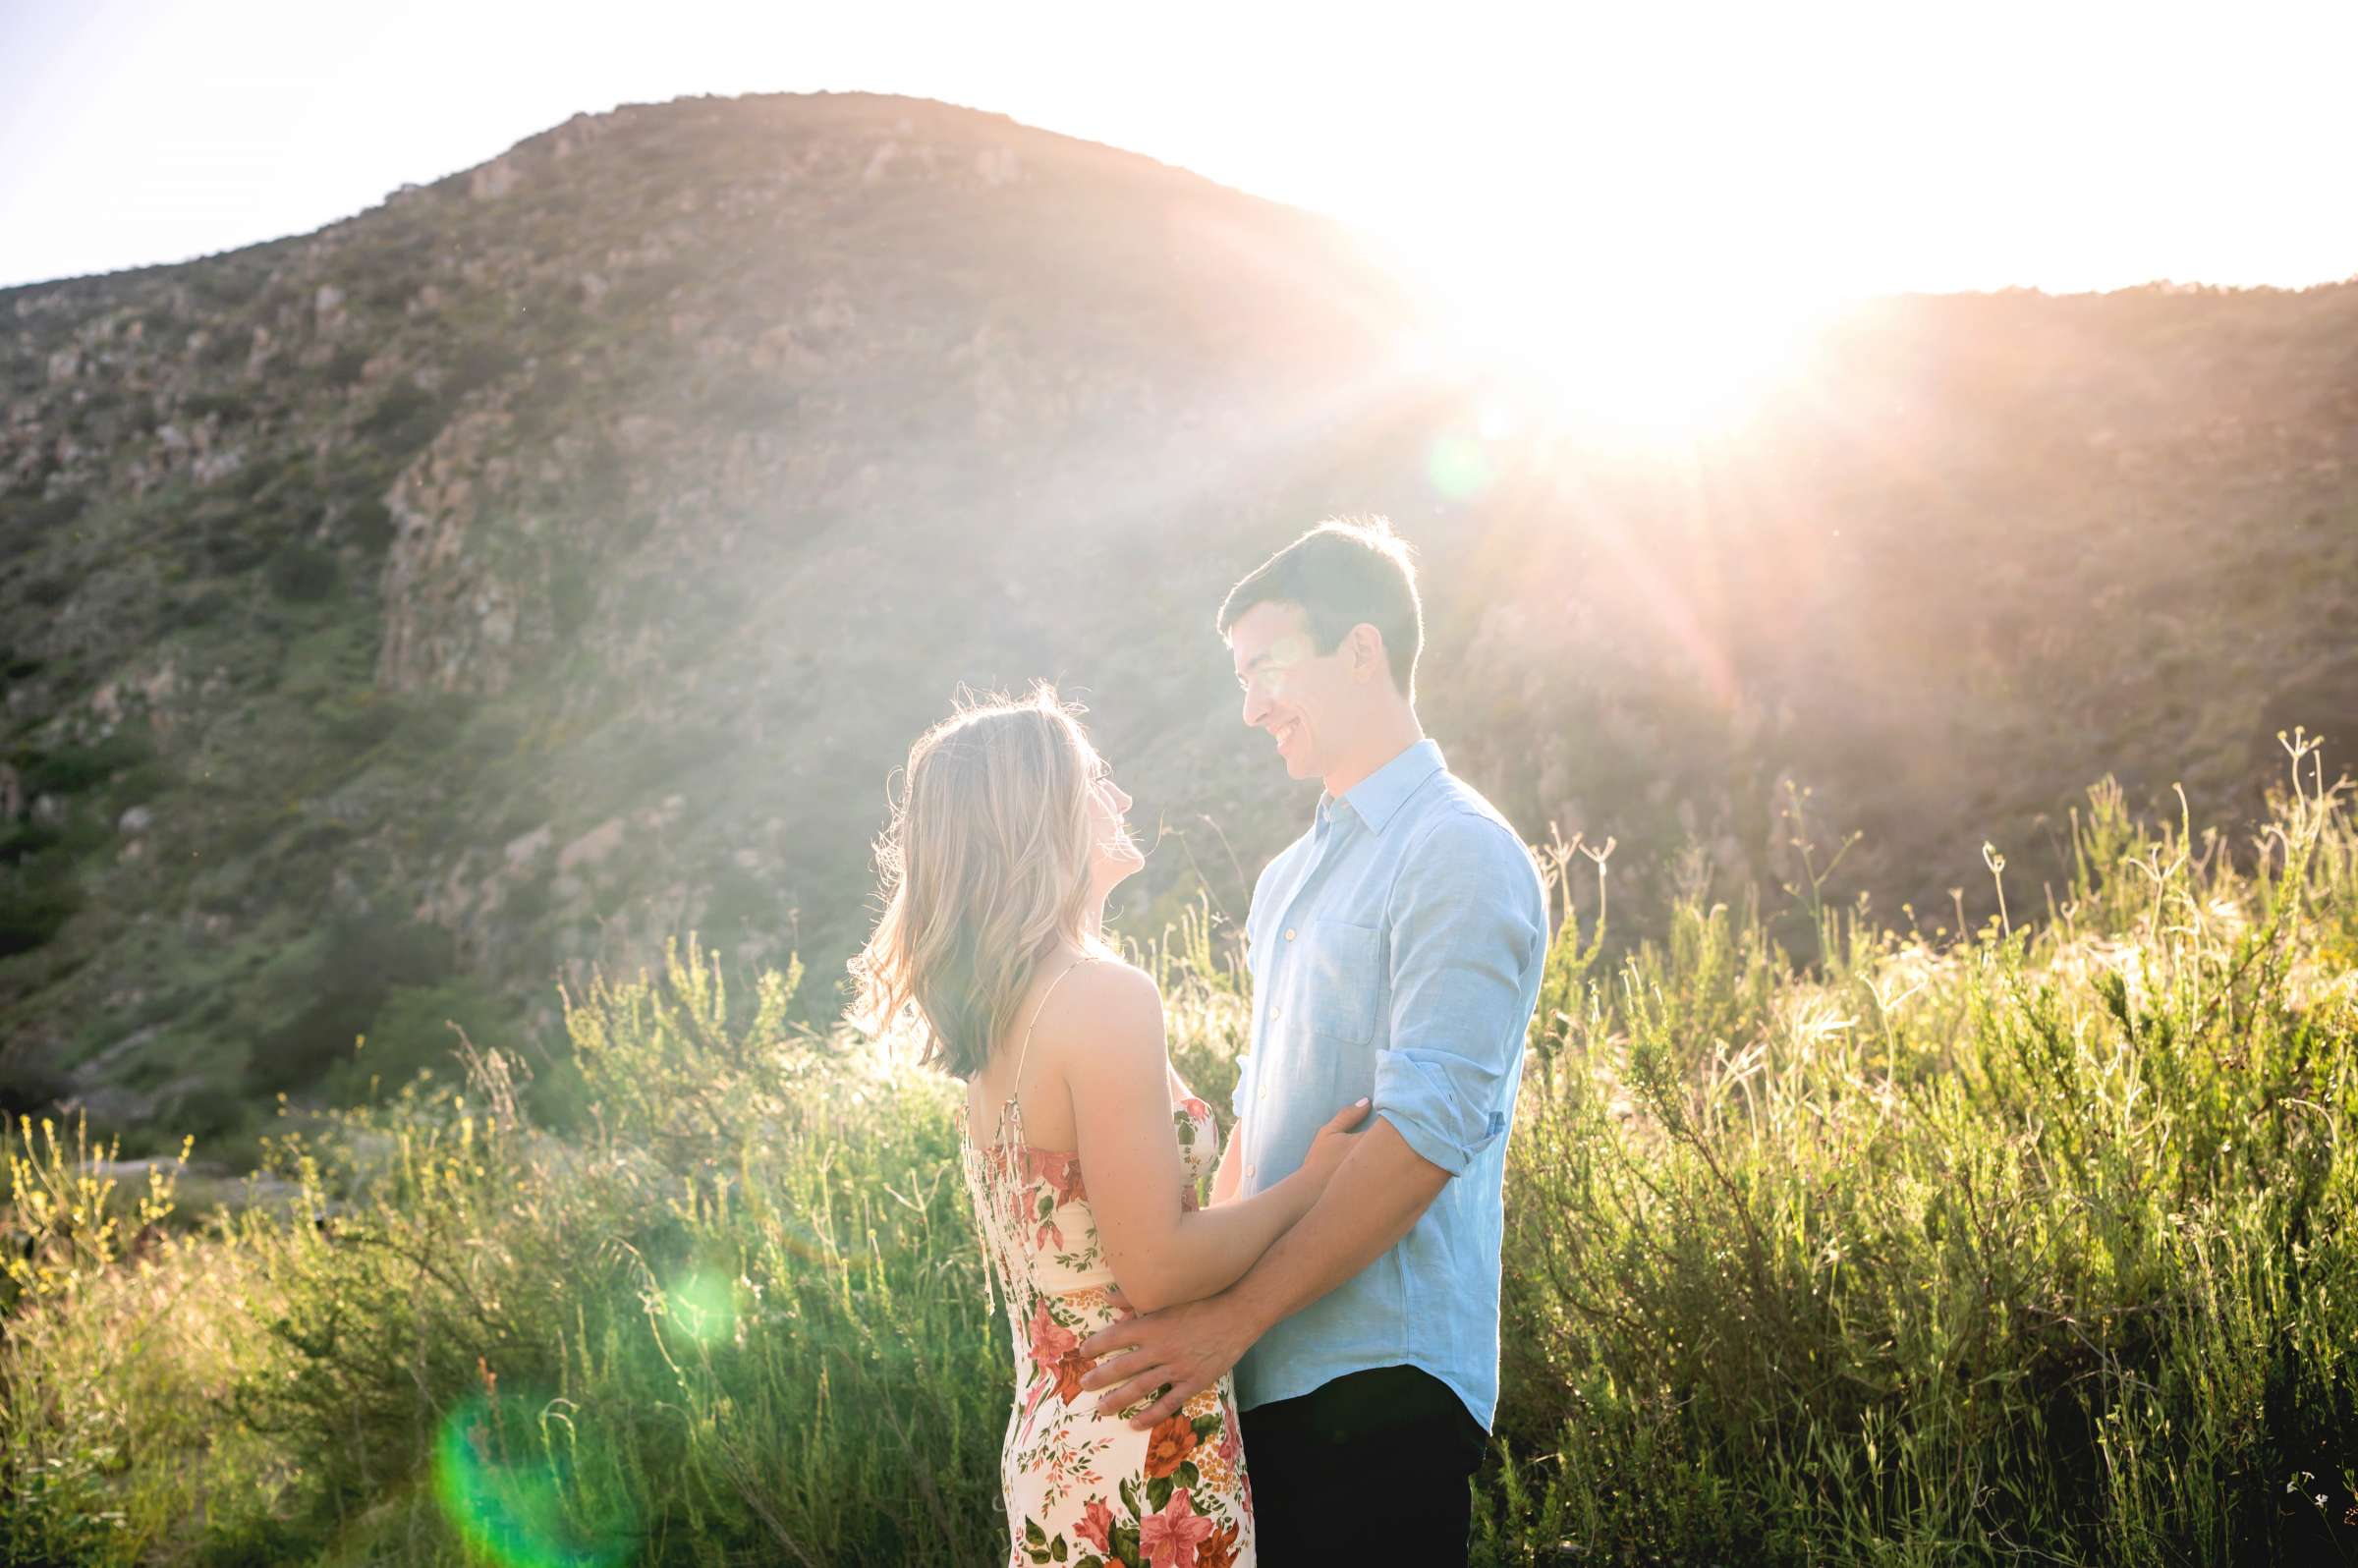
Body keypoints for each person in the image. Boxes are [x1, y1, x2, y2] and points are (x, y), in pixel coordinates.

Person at [1078, 517, 1549, 1564]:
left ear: (1363, 650)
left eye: (1267, 669)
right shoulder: (1286, 881)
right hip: (1257, 1384)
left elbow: (1425, 1137)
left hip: (1386, 1385)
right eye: (1239, 680)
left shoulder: (1456, 853)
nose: (1251, 708)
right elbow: (1261, 1127)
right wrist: (1193, 1322)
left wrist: (1229, 1320)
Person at [851, 685, 1369, 1568]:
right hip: (1145, 1457)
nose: (1121, 800)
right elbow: (1158, 1266)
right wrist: (1311, 1188)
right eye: (1096, 781)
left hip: (1058, 1448)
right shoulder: (1102, 996)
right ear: (1040, 814)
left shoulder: (1002, 1013)